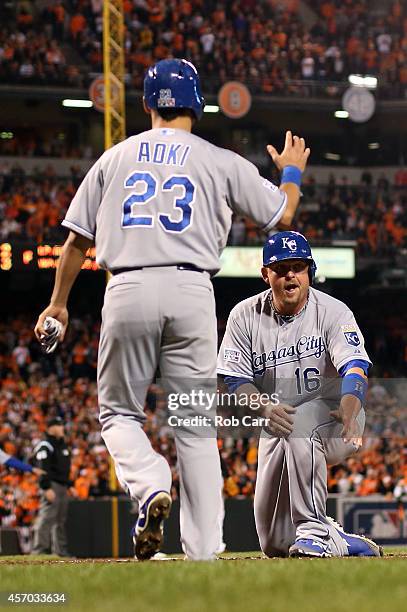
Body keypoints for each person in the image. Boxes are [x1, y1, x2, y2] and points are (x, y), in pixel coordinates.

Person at [34, 58, 310, 561]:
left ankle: (152, 481)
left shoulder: (114, 158)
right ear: (199, 105)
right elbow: (282, 214)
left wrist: (57, 304)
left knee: (118, 414)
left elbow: (76, 242)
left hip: (127, 287)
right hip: (192, 290)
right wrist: (291, 169)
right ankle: (204, 554)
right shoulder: (218, 159)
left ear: (145, 104)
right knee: (196, 424)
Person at [217, 231, 382, 557]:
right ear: (266, 274)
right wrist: (263, 407)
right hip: (277, 422)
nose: (291, 274)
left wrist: (352, 405)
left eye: (299, 266)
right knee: (274, 543)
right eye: (281, 268)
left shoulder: (333, 311)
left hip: (336, 418)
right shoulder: (244, 315)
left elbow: (355, 368)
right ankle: (342, 542)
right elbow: (235, 380)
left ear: (310, 271)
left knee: (302, 420)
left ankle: (314, 532)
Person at [31, 417, 72, 557]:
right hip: (52, 485)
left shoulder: (62, 445)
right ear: (51, 428)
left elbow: (64, 468)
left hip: (62, 486)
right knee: (47, 517)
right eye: (59, 425)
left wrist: (69, 485)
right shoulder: (45, 445)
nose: (62, 428)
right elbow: (42, 468)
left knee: (60, 520)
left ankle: (60, 551)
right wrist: (46, 487)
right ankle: (39, 549)